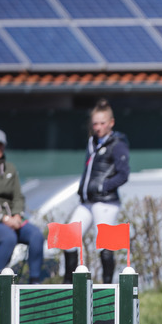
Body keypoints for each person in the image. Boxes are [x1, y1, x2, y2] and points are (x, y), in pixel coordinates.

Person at [65, 98, 130, 284]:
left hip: (106, 202)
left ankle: (107, 286)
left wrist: (103, 187)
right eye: (95, 123)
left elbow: (124, 174)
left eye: (102, 123)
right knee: (69, 238)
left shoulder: (118, 144)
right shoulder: (92, 142)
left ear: (111, 123)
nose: (98, 127)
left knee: (104, 244)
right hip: (86, 201)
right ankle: (68, 285)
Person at [0, 129, 45, 283]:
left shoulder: (10, 168)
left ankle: (34, 282)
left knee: (36, 234)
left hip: (13, 219)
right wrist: (3, 218)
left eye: (0, 145)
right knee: (8, 238)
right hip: (0, 221)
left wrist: (17, 216)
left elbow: (18, 196)